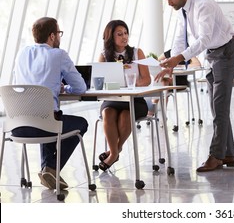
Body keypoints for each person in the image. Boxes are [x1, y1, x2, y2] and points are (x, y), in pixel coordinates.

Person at [155, 0, 234, 172]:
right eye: (166, 0)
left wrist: (179, 58)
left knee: (219, 106)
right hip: (213, 54)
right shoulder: (181, 10)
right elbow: (180, 38)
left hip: (227, 51)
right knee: (215, 105)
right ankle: (228, 153)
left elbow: (204, 39)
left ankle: (216, 156)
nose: (169, 3)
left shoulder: (204, 5)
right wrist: (172, 62)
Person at [13, 17, 88, 190]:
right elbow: (81, 87)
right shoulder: (58, 54)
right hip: (45, 124)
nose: (59, 37)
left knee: (48, 117)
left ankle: (48, 169)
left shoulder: (22, 53)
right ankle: (51, 168)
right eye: (59, 33)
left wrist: (53, 87)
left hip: (18, 125)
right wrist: (66, 88)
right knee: (80, 123)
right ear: (52, 36)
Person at [97, 20, 151, 171]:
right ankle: (115, 152)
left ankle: (114, 152)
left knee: (126, 115)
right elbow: (100, 81)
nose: (124, 37)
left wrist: (131, 87)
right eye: (119, 34)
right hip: (113, 99)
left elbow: (147, 79)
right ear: (110, 36)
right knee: (107, 112)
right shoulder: (103, 55)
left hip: (134, 100)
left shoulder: (137, 52)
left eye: (126, 33)